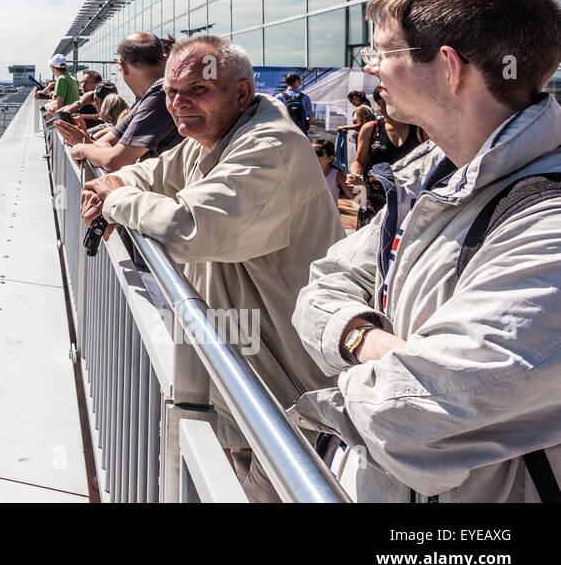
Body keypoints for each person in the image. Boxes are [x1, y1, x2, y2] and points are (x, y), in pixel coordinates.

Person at [292, 0, 561, 502]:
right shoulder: (425, 178)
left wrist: (345, 383)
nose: (368, 70)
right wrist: (367, 340)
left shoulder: (546, 220)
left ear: (447, 66)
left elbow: (412, 409)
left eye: (383, 52)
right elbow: (322, 287)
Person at [80, 36, 343, 494]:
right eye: (171, 92)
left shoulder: (271, 146)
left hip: (288, 398)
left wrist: (116, 199)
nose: (179, 105)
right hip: (245, 374)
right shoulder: (210, 139)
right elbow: (154, 173)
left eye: (197, 91)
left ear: (241, 93)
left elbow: (192, 227)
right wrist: (119, 182)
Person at [54, 32, 181, 171]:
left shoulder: (162, 94)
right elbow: (106, 145)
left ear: (123, 66)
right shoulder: (149, 98)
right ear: (164, 58)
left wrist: (83, 148)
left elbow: (115, 161)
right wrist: (98, 148)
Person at [347, 87, 421, 224]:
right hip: (374, 198)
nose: (383, 107)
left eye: (388, 102)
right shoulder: (371, 128)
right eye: (380, 103)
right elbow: (359, 161)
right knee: (370, 240)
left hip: (409, 198)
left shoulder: (419, 129)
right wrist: (355, 174)